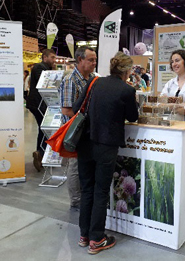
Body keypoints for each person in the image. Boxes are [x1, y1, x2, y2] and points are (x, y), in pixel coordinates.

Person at [73, 51, 138, 255]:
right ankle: (97, 239)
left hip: (85, 144)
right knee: (101, 191)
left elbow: (76, 107)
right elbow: (133, 117)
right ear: (127, 71)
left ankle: (84, 235)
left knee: (87, 189)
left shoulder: (94, 83)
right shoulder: (126, 90)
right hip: (106, 146)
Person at [60, 46, 96, 210]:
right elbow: (66, 109)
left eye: (95, 60)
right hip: (75, 130)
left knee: (84, 164)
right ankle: (76, 200)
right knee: (74, 166)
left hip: (87, 130)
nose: (94, 63)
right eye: (91, 60)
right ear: (80, 59)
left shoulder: (92, 78)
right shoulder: (70, 81)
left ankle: (85, 195)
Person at [26, 49, 56, 171]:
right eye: (52, 57)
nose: (54, 60)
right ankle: (40, 153)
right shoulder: (39, 67)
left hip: (41, 104)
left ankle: (40, 153)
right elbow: (45, 83)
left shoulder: (45, 68)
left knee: (43, 128)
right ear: (45, 57)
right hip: (37, 104)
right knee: (45, 128)